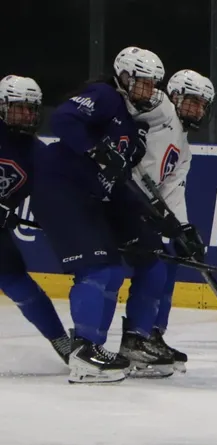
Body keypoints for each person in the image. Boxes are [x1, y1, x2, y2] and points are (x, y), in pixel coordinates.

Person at [31, 46, 174, 383]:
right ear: (123, 77)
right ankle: (84, 352)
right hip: (61, 191)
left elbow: (122, 180)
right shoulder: (105, 96)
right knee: (95, 267)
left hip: (88, 199)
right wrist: (94, 149)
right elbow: (63, 118)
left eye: (153, 84)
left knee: (111, 270)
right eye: (141, 82)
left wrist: (154, 214)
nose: (148, 90)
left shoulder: (132, 127)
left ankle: (92, 346)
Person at [132, 69, 216, 372]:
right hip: (120, 203)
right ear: (175, 95)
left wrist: (183, 230)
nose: (197, 110)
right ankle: (124, 338)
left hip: (141, 208)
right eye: (192, 102)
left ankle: (152, 334)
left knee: (169, 262)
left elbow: (173, 191)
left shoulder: (185, 148)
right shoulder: (161, 111)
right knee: (140, 269)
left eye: (202, 105)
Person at [0, 75, 70, 362]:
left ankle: (60, 341)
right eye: (20, 107)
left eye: (32, 108)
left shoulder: (36, 153)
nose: (27, 115)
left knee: (16, 279)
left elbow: (53, 196)